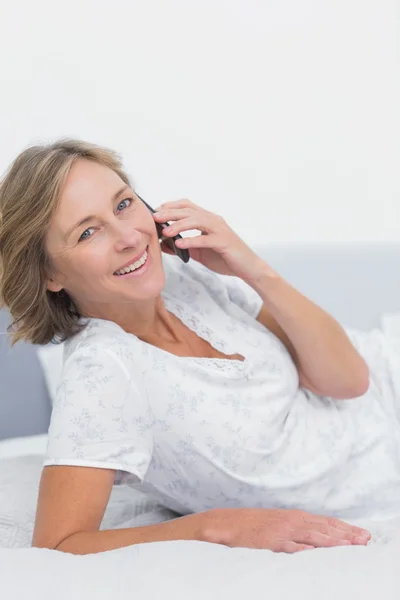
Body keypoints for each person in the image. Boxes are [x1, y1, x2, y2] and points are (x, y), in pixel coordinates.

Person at [1, 138, 399, 557]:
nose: (130, 237)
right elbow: (58, 545)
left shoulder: (186, 280)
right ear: (50, 276)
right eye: (87, 232)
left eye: (123, 204)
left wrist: (252, 269)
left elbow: (349, 380)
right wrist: (213, 526)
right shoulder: (102, 373)